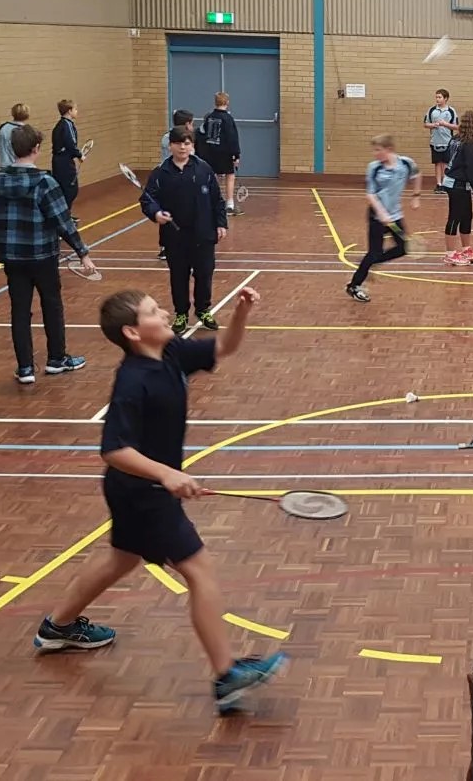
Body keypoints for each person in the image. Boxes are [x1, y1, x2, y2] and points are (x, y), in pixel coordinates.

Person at [32, 286, 287, 713]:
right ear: (133, 332)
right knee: (201, 571)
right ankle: (227, 674)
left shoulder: (171, 354)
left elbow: (225, 346)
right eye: (154, 311)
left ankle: (56, 627)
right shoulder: (132, 381)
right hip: (142, 492)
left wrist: (241, 312)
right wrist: (167, 474)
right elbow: (114, 449)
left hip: (139, 490)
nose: (165, 312)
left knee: (123, 558)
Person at [0, 123, 95, 385]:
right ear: (36, 149)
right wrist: (82, 252)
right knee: (52, 305)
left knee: (19, 310)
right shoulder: (45, 182)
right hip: (42, 255)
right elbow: (63, 221)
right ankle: (57, 359)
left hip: (11, 257)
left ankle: (25, 368)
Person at [141, 127, 228, 333]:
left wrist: (221, 223)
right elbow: (147, 200)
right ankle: (181, 313)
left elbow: (217, 199)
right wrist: (156, 214)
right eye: (179, 143)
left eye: (187, 143)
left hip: (203, 234)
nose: (183, 147)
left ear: (193, 146)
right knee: (178, 277)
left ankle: (203, 309)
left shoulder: (204, 169)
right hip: (175, 236)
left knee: (204, 274)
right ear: (170, 145)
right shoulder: (161, 173)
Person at [347, 134, 421, 303]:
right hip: (376, 216)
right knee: (374, 251)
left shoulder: (406, 164)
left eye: (378, 150)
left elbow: (417, 175)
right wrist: (381, 213)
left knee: (404, 247)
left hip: (395, 215)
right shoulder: (374, 168)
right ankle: (354, 285)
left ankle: (372, 263)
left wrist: (416, 196)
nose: (375, 153)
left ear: (389, 150)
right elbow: (370, 194)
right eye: (374, 150)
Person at [441, 110, 473, 266]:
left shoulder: (455, 139)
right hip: (456, 184)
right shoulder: (469, 144)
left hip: (456, 182)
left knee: (467, 216)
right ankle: (450, 253)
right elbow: (471, 167)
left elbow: (446, 157)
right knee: (455, 217)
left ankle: (466, 249)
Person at [156, 110, 195, 262]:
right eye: (191, 123)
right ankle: (166, 246)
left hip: (180, 180)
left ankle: (170, 246)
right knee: (167, 214)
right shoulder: (176, 140)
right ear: (186, 124)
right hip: (170, 179)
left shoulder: (167, 136)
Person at [199, 93, 243, 214]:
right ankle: (229, 204)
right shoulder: (228, 119)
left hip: (210, 152)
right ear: (227, 102)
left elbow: (204, 134)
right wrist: (236, 154)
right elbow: (232, 137)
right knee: (230, 175)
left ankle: (214, 202)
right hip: (224, 153)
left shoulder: (209, 117)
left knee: (214, 176)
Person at [51, 99, 84, 213]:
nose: (77, 111)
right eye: (75, 109)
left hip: (60, 161)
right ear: (69, 111)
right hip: (64, 162)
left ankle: (65, 214)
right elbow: (70, 143)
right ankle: (64, 215)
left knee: (64, 189)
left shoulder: (61, 125)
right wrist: (79, 155)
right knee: (70, 190)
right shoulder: (66, 125)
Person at [424, 89, 459, 193]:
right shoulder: (431, 110)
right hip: (435, 141)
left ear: (446, 98)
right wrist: (433, 125)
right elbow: (426, 124)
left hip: (447, 141)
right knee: (437, 163)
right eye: (436, 97)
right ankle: (439, 184)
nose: (437, 99)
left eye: (439, 97)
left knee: (446, 163)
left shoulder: (451, 111)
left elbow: (456, 126)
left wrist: (445, 124)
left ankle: (445, 183)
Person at [0, 103, 30, 169]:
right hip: (20, 169)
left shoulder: (2, 128)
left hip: (3, 168)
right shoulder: (27, 131)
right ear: (27, 115)